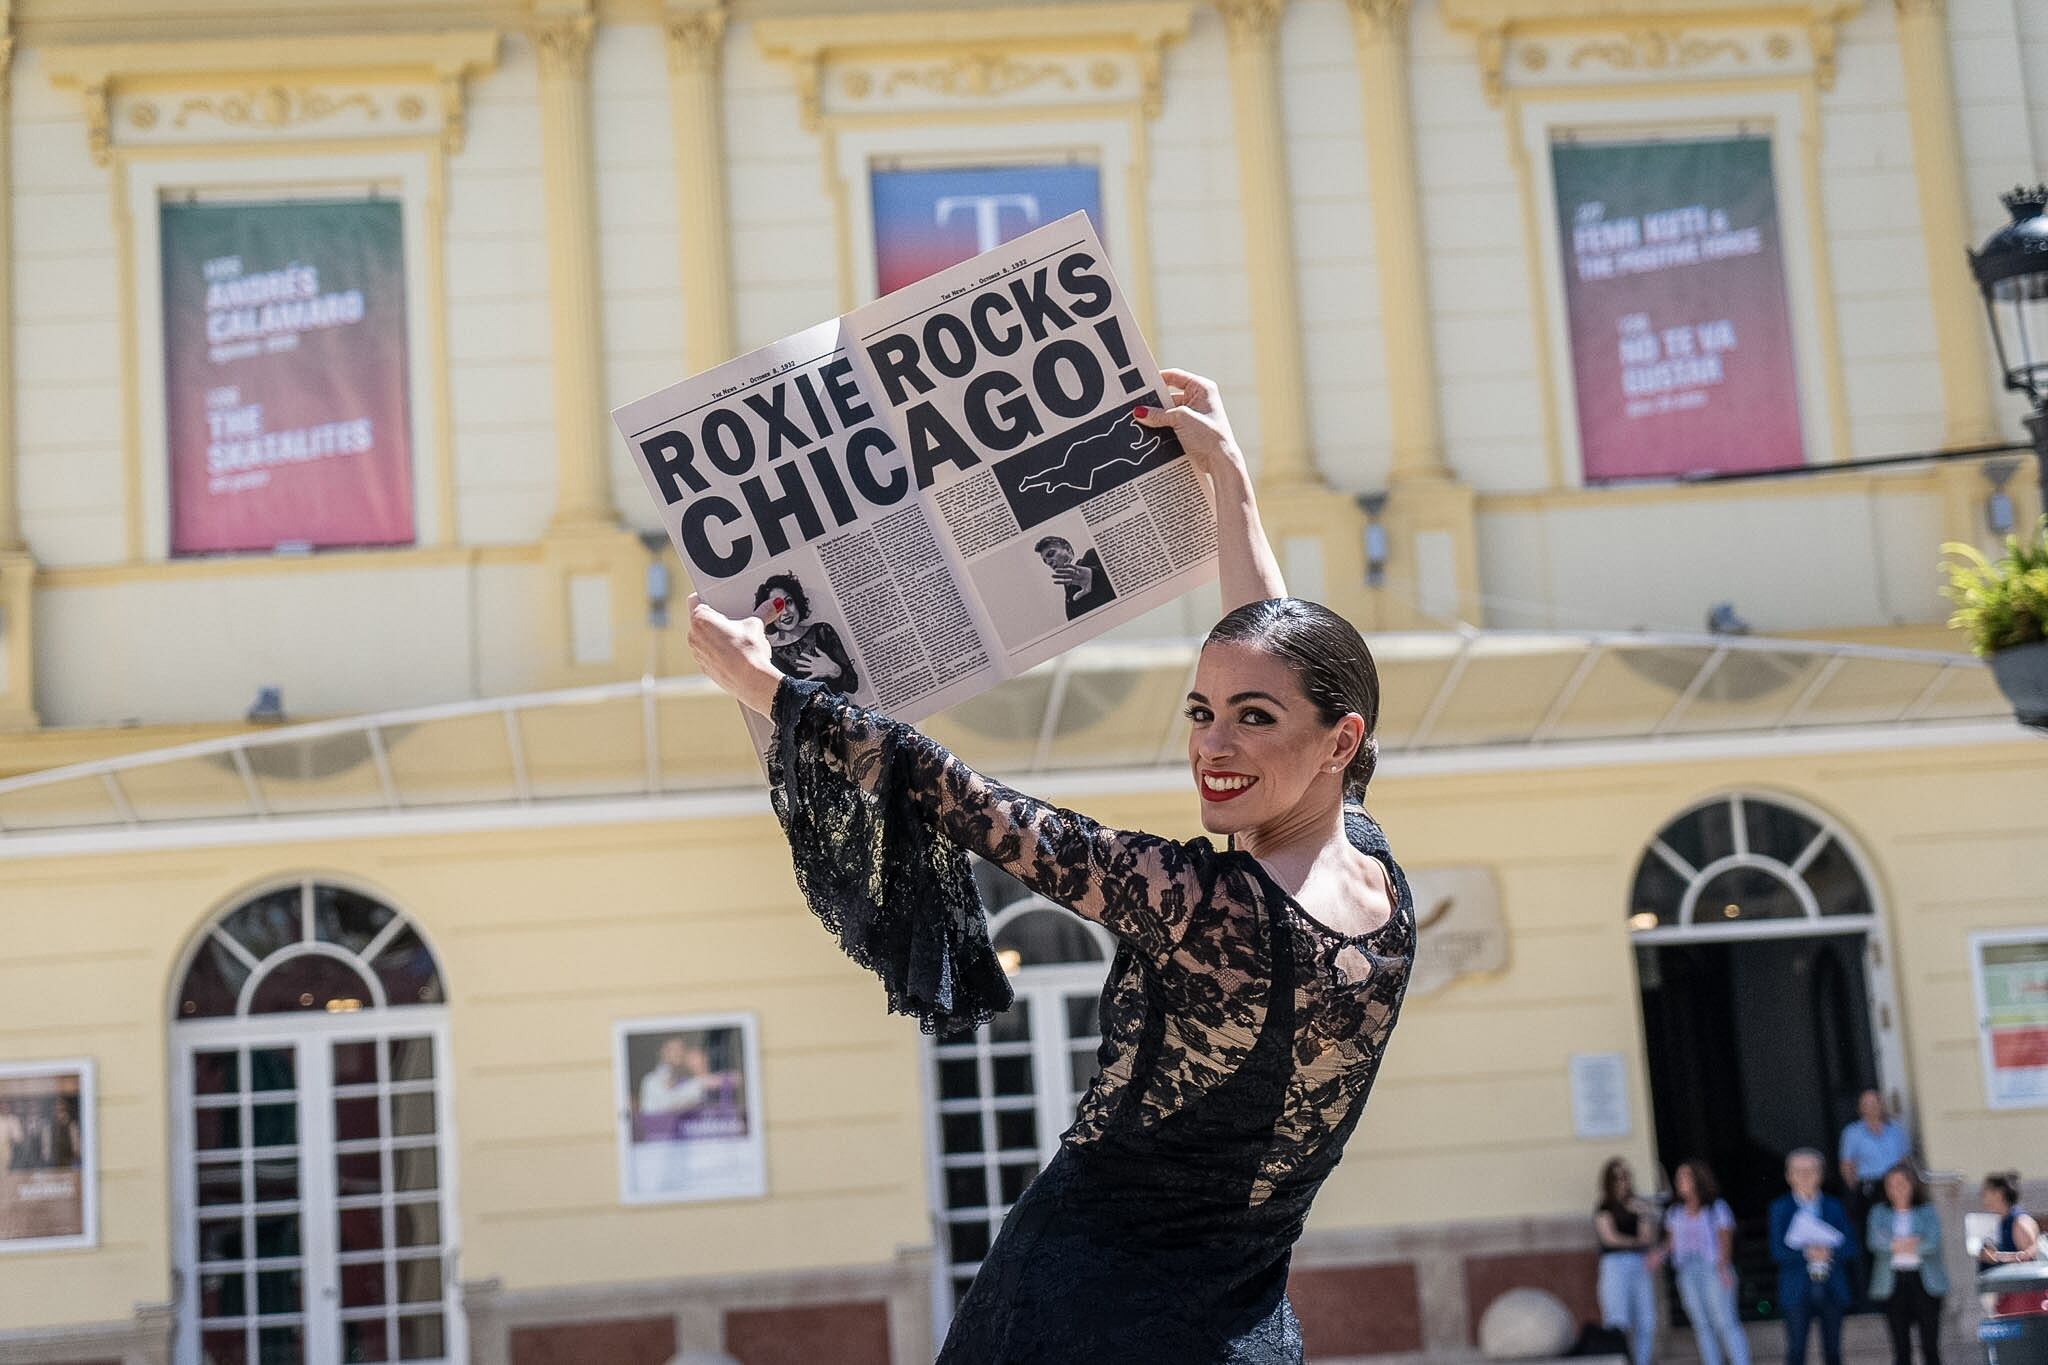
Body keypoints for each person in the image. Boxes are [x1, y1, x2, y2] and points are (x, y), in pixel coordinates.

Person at [686, 370, 1414, 1363]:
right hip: (1237, 1333)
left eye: (1250, 722)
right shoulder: (1367, 876)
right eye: (1201, 712)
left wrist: (764, 687)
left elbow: (965, 802)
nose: (1212, 746)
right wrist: (1227, 481)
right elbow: (1278, 658)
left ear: (1339, 742)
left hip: (1075, 1323)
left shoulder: (1203, 907)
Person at [1769, 1148, 1858, 1365]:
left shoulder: (1834, 1206)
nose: (1805, 1176)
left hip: (1831, 1286)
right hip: (1797, 1288)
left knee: (1833, 1351)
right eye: (1798, 1171)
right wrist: (1806, 1252)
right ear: (1788, 1176)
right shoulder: (1780, 1208)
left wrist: (1829, 1252)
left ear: (1821, 1174)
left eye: (1810, 1170)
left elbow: (1850, 1246)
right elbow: (1777, 1251)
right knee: (1796, 1350)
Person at [1663, 1159, 1748, 1365]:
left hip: (1713, 1269)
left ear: (1697, 1179)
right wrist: (1655, 1256)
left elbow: (1725, 1239)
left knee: (1725, 1321)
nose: (1679, 1181)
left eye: (1685, 1177)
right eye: (1678, 1177)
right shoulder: (1675, 1212)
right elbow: (1671, 1243)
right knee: (1702, 1325)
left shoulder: (1717, 1208)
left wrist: (1724, 1267)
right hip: (1687, 1270)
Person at [1866, 1161, 1944, 1365]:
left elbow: (1932, 1243)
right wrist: (1912, 1241)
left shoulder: (1926, 1211)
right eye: (1890, 1185)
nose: (1896, 1190)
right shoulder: (1879, 1212)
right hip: (1893, 1284)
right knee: (1901, 1347)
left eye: (1901, 1183)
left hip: (1924, 1282)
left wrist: (1895, 1243)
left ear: (1913, 1185)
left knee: (1930, 1346)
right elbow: (1875, 1242)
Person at [1596, 1157, 1661, 1365]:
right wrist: (1635, 1242)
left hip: (1638, 1263)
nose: (1622, 1181)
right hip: (1615, 1264)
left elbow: (1648, 1237)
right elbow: (1609, 1238)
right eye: (1617, 1177)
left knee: (1646, 1321)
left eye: (1625, 1176)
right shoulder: (1605, 1206)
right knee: (1617, 1318)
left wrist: (1643, 1214)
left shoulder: (1638, 1205)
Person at [754, 573, 859, 695]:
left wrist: (834, 670)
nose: (785, 612)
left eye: (788, 602)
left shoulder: (822, 631)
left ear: (797, 601)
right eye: (777, 608)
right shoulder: (770, 656)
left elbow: (853, 685)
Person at [1839, 1090, 1910, 1238]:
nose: (1871, 1107)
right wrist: (1854, 1189)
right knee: (1871, 1230)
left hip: (1895, 1185)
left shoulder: (1895, 1130)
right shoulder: (1852, 1132)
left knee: (1898, 1227)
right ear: (1860, 1108)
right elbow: (1847, 1165)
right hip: (1868, 1187)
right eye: (1866, 1104)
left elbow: (1904, 1159)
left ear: (1881, 1105)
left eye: (1874, 1103)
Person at [1980, 1172, 2042, 1318]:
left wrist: (1996, 1257)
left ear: (1999, 1194)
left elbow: (2029, 1257)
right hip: (2003, 1297)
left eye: (1986, 1192)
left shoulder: (2019, 1222)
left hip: (2021, 1299)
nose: (1982, 1196)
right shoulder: (1997, 1221)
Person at [1034, 535, 1117, 618]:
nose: (1048, 562)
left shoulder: (1092, 555)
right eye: (1045, 561)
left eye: (1051, 554)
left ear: (1068, 549)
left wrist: (1095, 576)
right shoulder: (1067, 592)